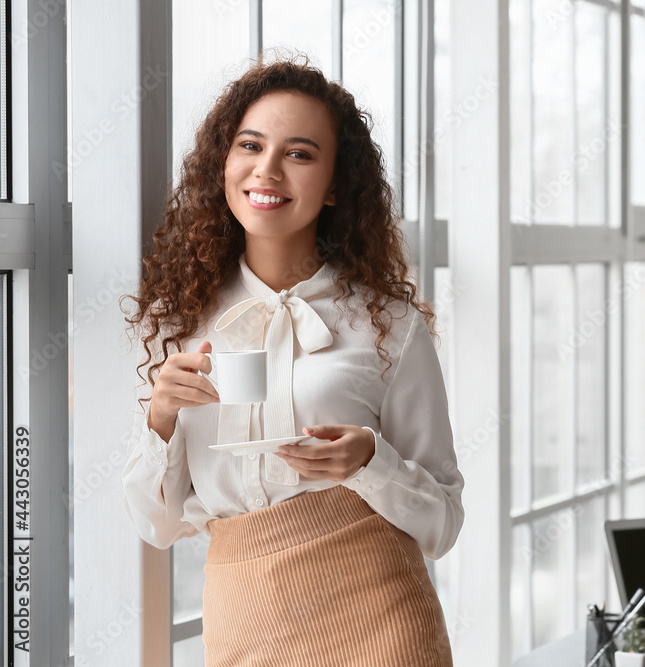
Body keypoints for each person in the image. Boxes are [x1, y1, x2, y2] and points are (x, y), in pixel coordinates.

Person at [121, 57, 463, 666]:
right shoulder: (182, 319)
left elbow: (442, 524)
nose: (267, 170)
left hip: (382, 619)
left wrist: (369, 461)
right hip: (242, 619)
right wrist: (162, 418)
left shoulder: (388, 324)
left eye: (300, 154)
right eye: (250, 145)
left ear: (334, 185)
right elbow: (156, 525)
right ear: (222, 163)